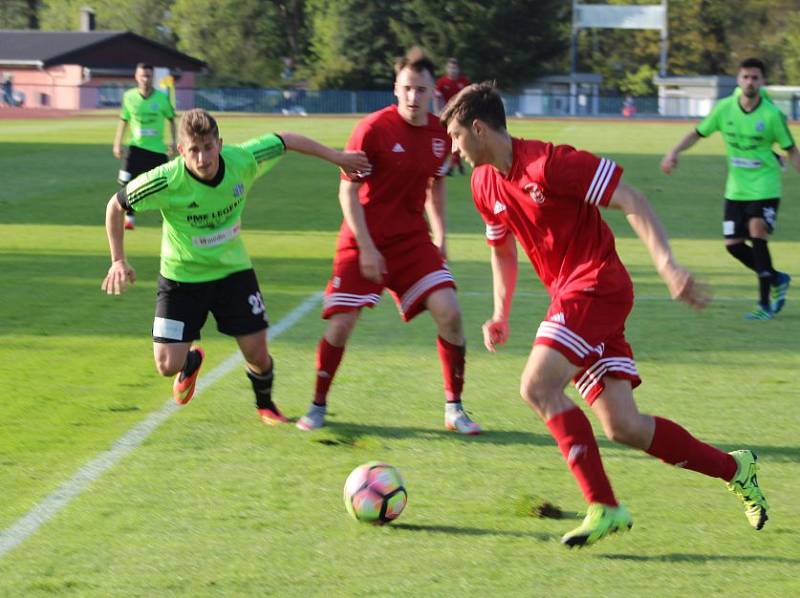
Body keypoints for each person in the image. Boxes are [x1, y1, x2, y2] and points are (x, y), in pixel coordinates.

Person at [441, 82, 768, 547]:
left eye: (455, 136)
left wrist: (669, 267)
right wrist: (500, 311)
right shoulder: (482, 184)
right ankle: (736, 468)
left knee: (537, 386)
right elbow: (502, 249)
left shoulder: (550, 163)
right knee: (624, 426)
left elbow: (633, 199)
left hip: (597, 285)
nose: (453, 149)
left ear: (478, 128)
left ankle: (604, 506)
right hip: (572, 299)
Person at [101, 108, 369, 426]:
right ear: (180, 151)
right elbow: (115, 206)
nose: (202, 158)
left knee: (257, 352)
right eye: (194, 151)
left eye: (209, 148)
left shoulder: (242, 159)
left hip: (232, 273)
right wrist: (118, 260)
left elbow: (285, 139)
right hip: (181, 278)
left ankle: (265, 404)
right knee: (166, 365)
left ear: (220, 143)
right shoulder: (165, 180)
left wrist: (337, 157)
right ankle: (189, 361)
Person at [296, 48, 481, 436]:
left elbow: (437, 187)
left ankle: (455, 408)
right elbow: (348, 193)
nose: (414, 97)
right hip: (363, 235)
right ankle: (317, 405)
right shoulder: (372, 129)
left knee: (450, 311)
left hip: (412, 240)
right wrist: (366, 246)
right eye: (407, 89)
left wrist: (442, 235)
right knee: (342, 324)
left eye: (422, 90)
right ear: (396, 89)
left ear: (434, 92)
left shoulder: (438, 134)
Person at [662, 58, 799, 320]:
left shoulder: (772, 115)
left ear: (762, 82)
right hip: (736, 189)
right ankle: (777, 278)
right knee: (733, 245)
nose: (750, 82)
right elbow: (697, 132)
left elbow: (791, 150)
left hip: (766, 186)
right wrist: (673, 152)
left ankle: (764, 304)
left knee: (756, 231)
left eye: (755, 77)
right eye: (745, 77)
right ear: (738, 79)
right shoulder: (724, 109)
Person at [112, 63, 178, 231]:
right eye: (142, 75)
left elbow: (171, 119)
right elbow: (123, 120)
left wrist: (174, 141)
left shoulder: (161, 98)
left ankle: (173, 219)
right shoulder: (129, 97)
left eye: (148, 76)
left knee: (165, 187)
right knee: (125, 181)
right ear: (136, 76)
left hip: (156, 150)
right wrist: (117, 143)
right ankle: (129, 218)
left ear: (152, 78)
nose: (145, 79)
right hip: (135, 149)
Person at [435, 58, 471, 174]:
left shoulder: (464, 82)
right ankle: (455, 164)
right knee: (450, 140)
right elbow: (437, 98)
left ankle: (453, 165)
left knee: (458, 139)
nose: (453, 70)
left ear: (458, 69)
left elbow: (470, 96)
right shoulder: (442, 82)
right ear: (447, 69)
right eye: (450, 68)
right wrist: (437, 112)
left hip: (460, 115)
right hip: (447, 116)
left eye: (454, 68)